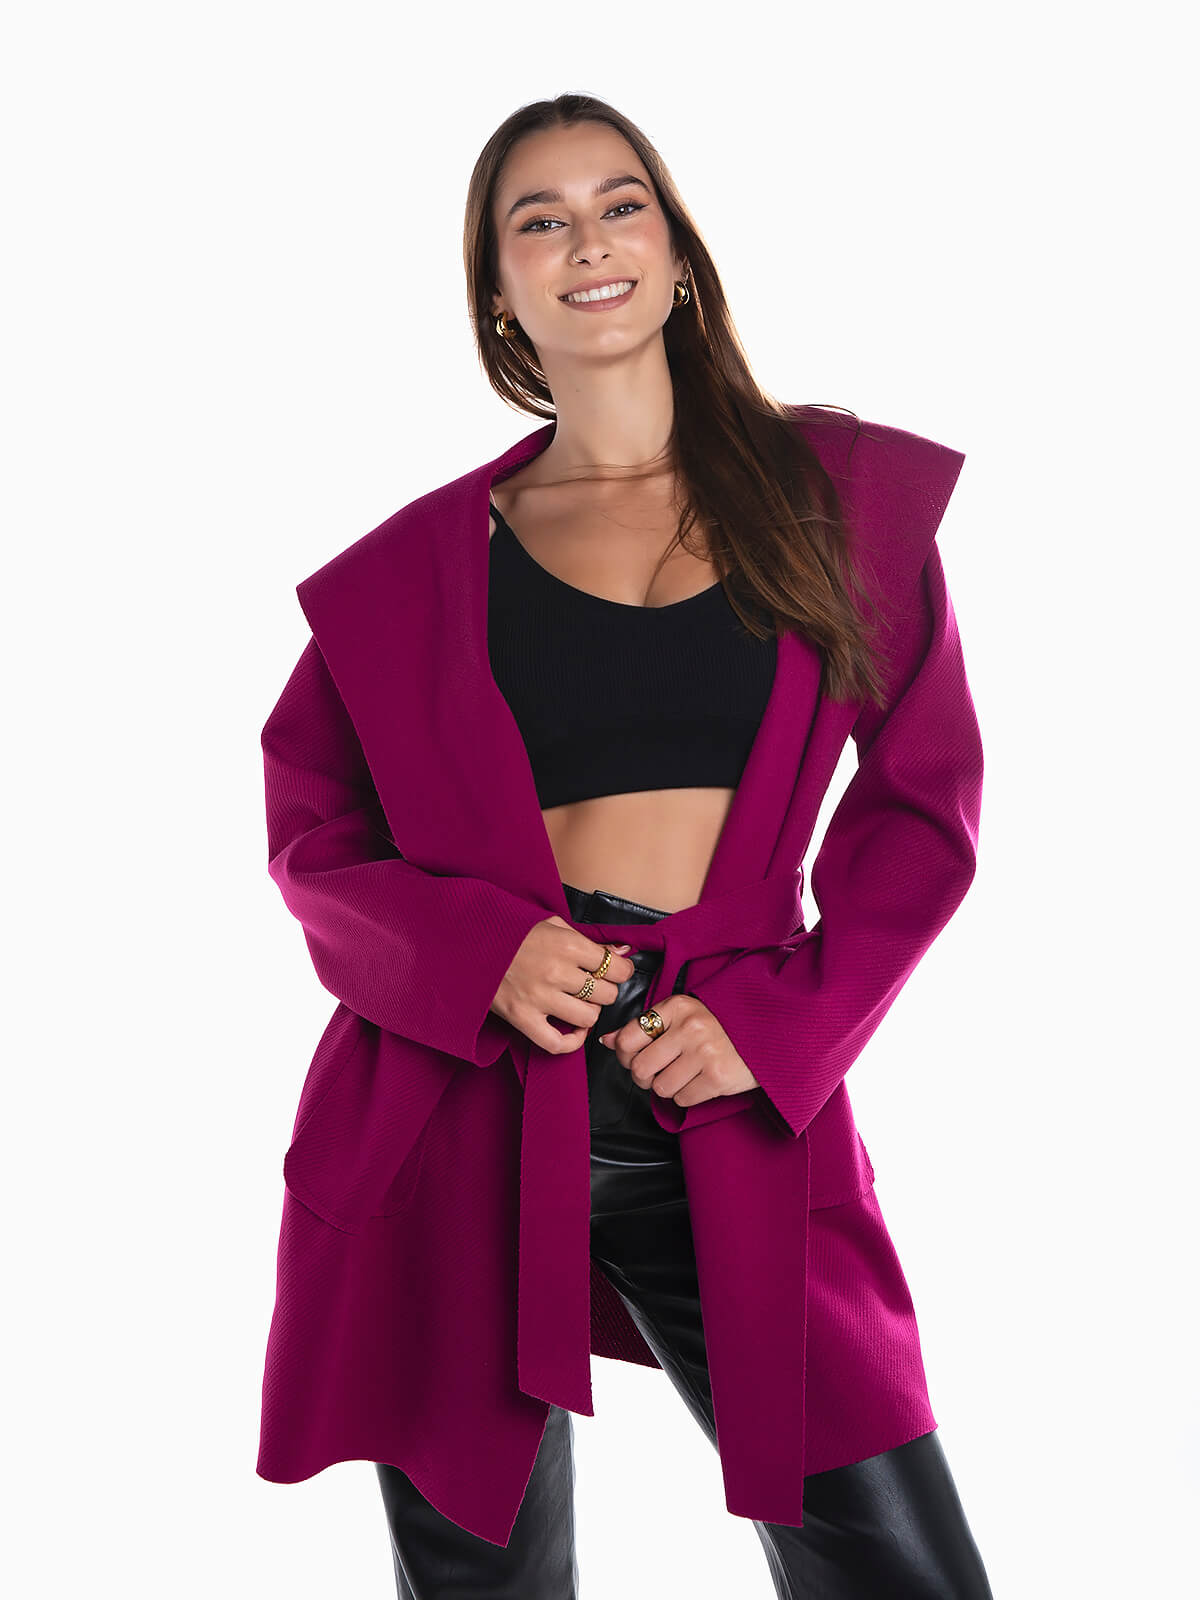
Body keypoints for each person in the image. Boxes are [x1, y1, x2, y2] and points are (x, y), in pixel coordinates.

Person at [257, 93, 995, 1599]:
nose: (586, 241)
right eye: (540, 221)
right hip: (461, 1105)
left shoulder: (836, 500)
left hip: (718, 1082)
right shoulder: (414, 569)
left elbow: (925, 808)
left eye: (620, 205)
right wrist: (481, 955)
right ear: (499, 291)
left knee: (903, 1565)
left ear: (675, 252)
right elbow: (311, 830)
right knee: (486, 1582)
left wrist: (776, 1028)